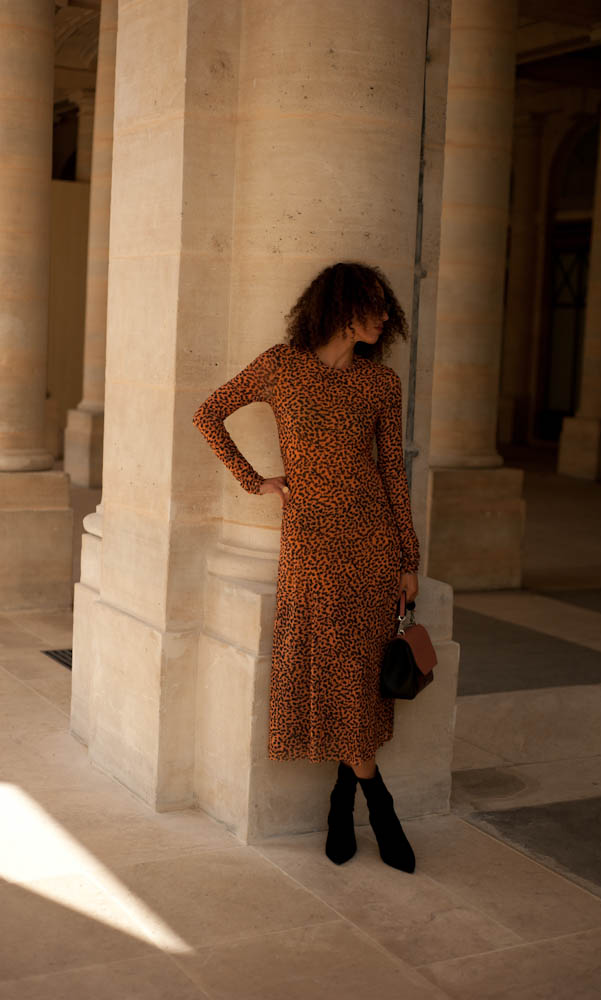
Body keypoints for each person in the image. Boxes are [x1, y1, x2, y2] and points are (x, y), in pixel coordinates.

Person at [192, 261, 421, 873]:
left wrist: (408, 558)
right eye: (373, 306)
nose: (384, 318)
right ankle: (376, 805)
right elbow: (208, 414)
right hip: (312, 545)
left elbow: (392, 470)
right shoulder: (280, 366)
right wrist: (256, 482)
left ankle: (345, 804)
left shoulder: (381, 382)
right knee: (334, 666)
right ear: (341, 310)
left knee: (360, 674)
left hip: (373, 543)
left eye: (386, 308)